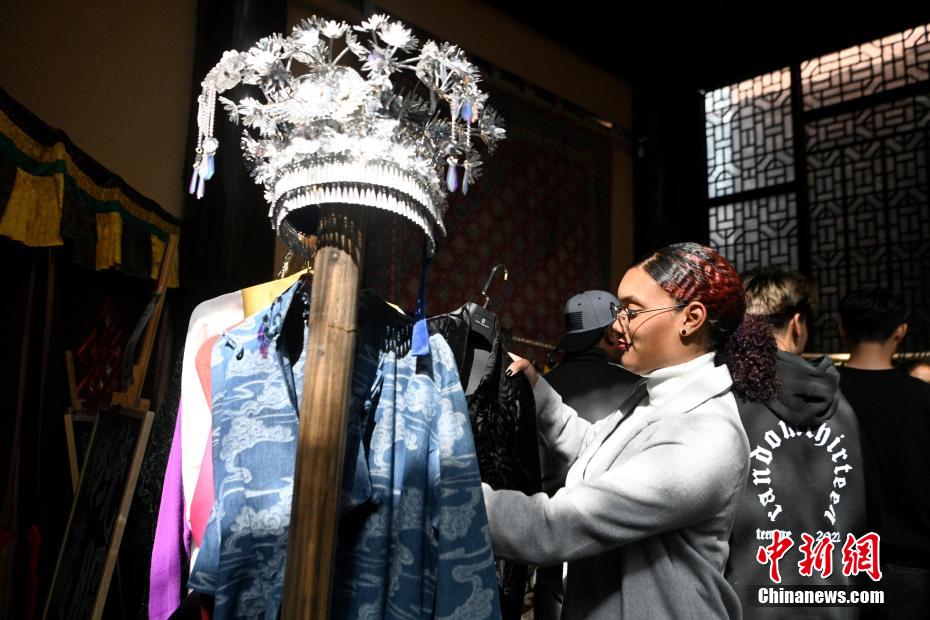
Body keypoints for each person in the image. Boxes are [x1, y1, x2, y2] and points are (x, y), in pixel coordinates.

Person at [491, 242, 778, 619]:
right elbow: (594, 449)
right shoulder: (652, 394)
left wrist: (457, 498)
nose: (616, 325)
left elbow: (557, 527)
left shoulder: (706, 434)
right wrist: (537, 393)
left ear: (690, 318)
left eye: (632, 310)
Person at [725, 268, 867, 619]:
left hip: (751, 603)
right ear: (798, 324)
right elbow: (858, 516)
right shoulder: (843, 409)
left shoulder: (728, 402)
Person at [536, 290, 639, 620]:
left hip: (546, 545)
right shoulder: (639, 391)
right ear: (609, 330)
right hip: (612, 554)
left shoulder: (538, 387)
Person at [837, 288, 930, 619]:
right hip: (912, 561)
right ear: (900, 331)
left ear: (842, 330)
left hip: (838, 559)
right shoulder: (922, 398)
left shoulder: (824, 394)